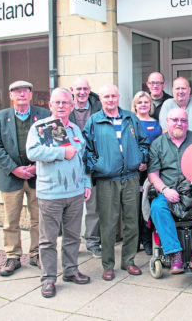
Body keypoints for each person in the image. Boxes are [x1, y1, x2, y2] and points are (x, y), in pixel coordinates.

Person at [27, 88, 91, 298]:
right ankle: (48, 279)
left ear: (72, 106)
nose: (62, 106)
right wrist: (62, 152)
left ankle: (71, 270)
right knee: (48, 240)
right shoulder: (41, 127)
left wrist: (86, 183)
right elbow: (33, 152)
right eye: (58, 102)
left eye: (66, 103)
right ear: (50, 105)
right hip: (50, 194)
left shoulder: (75, 130)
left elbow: (81, 160)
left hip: (74, 193)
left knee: (72, 236)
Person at [83, 84, 149, 281]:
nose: (110, 100)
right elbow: (87, 150)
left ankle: (128, 260)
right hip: (106, 180)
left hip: (130, 177)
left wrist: (140, 158)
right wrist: (100, 166)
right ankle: (108, 264)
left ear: (118, 97)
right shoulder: (94, 121)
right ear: (101, 99)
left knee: (131, 222)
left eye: (113, 96)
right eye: (106, 97)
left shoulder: (130, 118)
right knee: (108, 224)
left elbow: (144, 142)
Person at [0, 80, 51, 277]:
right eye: (17, 92)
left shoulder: (43, 115)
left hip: (36, 177)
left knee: (38, 219)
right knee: (10, 221)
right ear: (11, 96)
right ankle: (13, 256)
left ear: (31, 95)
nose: (22, 95)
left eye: (25, 91)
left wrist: (35, 167)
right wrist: (14, 169)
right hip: (11, 177)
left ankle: (37, 254)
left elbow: (50, 143)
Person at [148, 108, 192, 274]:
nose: (179, 123)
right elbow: (153, 175)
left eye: (183, 120)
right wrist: (165, 190)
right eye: (175, 120)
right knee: (157, 208)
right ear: (167, 122)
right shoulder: (158, 144)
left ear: (188, 123)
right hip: (169, 190)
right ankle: (175, 255)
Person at [69, 78, 103, 259]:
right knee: (70, 208)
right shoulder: (65, 108)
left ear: (89, 90)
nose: (81, 92)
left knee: (93, 207)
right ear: (71, 90)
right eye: (78, 89)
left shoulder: (98, 107)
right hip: (69, 164)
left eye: (85, 89)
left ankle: (92, 242)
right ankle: (72, 244)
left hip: (92, 164)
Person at [131, 91, 162, 255]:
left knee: (148, 206)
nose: (143, 105)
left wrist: (148, 164)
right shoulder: (130, 123)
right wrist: (138, 163)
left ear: (150, 105)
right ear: (135, 105)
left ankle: (148, 240)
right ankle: (134, 241)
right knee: (134, 207)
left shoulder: (157, 124)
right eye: (140, 102)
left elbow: (159, 148)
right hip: (135, 171)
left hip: (152, 171)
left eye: (146, 102)